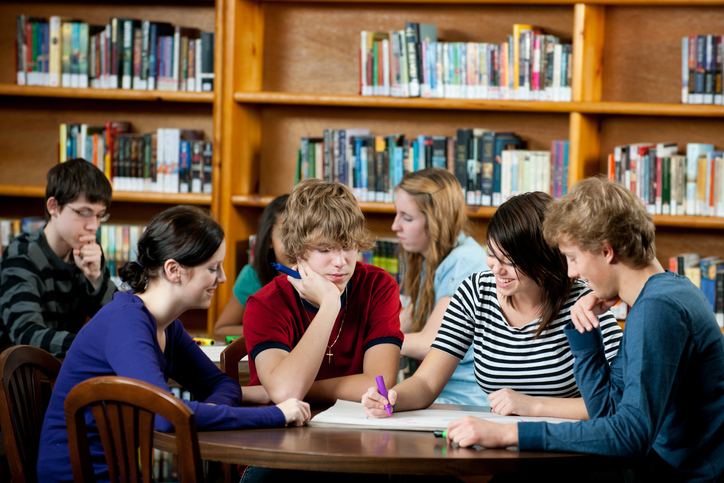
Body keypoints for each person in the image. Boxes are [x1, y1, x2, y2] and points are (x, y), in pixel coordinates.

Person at [424, 177, 724, 481]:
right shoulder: (661, 294)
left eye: (573, 258)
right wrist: (584, 335)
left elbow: (631, 436)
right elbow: (606, 410)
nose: (571, 273)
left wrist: (510, 433)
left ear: (607, 252)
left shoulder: (658, 309)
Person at [36, 205, 311, 483]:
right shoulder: (127, 322)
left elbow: (220, 384)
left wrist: (212, 411)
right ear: (173, 270)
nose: (223, 278)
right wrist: (275, 415)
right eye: (213, 268)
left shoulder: (167, 325)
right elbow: (164, 415)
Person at [363, 191, 623, 421]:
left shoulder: (585, 303)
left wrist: (532, 406)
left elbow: (614, 402)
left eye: (508, 261)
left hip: (563, 448)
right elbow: (427, 383)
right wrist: (393, 398)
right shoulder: (476, 292)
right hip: (498, 441)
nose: (495, 268)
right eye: (491, 254)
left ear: (542, 259)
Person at [243, 178, 404, 405]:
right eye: (324, 249)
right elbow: (286, 392)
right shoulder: (266, 303)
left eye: (348, 246)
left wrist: (278, 391)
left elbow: (379, 385)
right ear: (298, 250)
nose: (340, 261)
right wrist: (330, 304)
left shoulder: (379, 286)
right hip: (281, 432)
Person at [0, 158, 117, 357]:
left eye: (100, 215)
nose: (93, 225)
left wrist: (96, 279)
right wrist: (94, 345)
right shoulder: (22, 255)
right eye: (84, 213)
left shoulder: (90, 251)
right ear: (53, 207)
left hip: (66, 371)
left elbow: (118, 321)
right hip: (19, 379)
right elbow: (27, 336)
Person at [392, 168, 489, 406]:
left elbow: (430, 343)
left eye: (407, 217)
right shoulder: (432, 259)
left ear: (436, 220)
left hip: (463, 399)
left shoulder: (462, 261)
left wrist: (372, 344)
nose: (395, 226)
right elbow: (401, 325)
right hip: (441, 393)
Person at [213, 194, 288, 338]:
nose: (295, 244)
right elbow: (220, 331)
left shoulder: (327, 275)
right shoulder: (253, 276)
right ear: (269, 239)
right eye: (286, 235)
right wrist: (270, 330)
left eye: (302, 235)